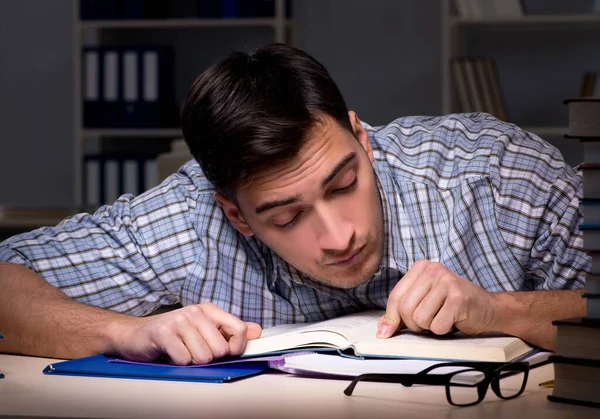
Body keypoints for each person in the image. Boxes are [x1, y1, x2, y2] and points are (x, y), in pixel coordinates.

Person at [0, 44, 590, 365]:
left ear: (361, 138)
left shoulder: (493, 173)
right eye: (286, 217)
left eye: (343, 184)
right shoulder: (186, 222)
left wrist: (502, 311)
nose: (338, 236)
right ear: (235, 215)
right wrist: (122, 332)